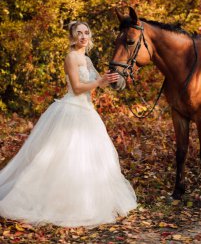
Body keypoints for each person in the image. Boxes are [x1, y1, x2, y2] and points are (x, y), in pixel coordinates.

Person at [0, 21, 137, 227]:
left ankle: (89, 201)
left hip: (88, 113)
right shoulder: (71, 57)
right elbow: (78, 87)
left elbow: (99, 81)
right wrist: (99, 83)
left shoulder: (87, 59)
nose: (83, 36)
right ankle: (51, 202)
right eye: (79, 33)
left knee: (91, 160)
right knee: (62, 158)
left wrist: (114, 79)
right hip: (71, 111)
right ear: (72, 37)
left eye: (86, 32)